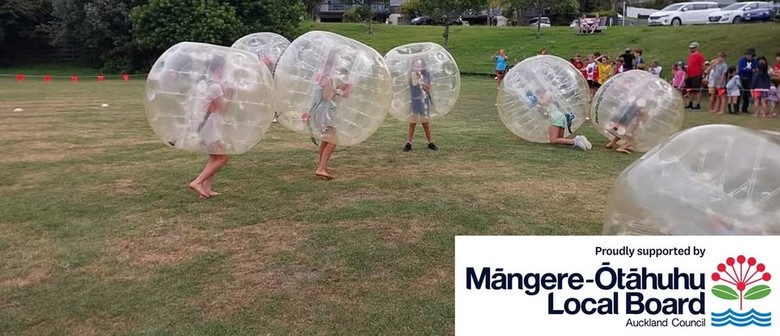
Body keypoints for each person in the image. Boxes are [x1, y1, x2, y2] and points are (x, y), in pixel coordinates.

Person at [188, 55, 233, 198]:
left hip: (200, 124)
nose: (225, 71)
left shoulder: (203, 83)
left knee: (215, 157)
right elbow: (223, 108)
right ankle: (197, 182)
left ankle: (206, 190)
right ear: (219, 68)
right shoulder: (215, 86)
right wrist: (230, 94)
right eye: (224, 68)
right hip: (209, 125)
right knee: (222, 158)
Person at [305, 54, 352, 180]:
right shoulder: (327, 78)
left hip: (321, 111)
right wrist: (339, 91)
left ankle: (322, 166)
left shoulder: (321, 77)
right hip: (325, 112)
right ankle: (321, 168)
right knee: (333, 140)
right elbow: (327, 96)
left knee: (326, 139)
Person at [403, 58, 437, 152]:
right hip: (414, 101)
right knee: (412, 123)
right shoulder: (411, 74)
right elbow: (406, 83)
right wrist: (414, 75)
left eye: (420, 65)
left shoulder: (426, 74)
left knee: (425, 123)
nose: (418, 67)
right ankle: (409, 143)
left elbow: (428, 88)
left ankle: (430, 142)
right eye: (415, 65)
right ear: (412, 66)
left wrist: (421, 81)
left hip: (424, 101)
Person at [685, 42, 706, 110]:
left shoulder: (699, 56)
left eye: (693, 48)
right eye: (691, 48)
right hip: (689, 75)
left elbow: (702, 65)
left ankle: (698, 104)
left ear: (696, 48)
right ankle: (690, 103)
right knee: (690, 90)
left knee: (697, 91)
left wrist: (702, 74)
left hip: (696, 75)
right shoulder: (689, 56)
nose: (691, 49)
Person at [737, 48, 756, 113]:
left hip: (749, 79)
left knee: (747, 94)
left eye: (750, 55)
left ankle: (744, 109)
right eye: (747, 55)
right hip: (742, 78)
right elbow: (741, 69)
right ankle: (736, 108)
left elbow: (755, 69)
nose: (749, 56)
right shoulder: (742, 60)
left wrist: (750, 70)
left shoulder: (754, 61)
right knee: (739, 93)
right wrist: (750, 70)